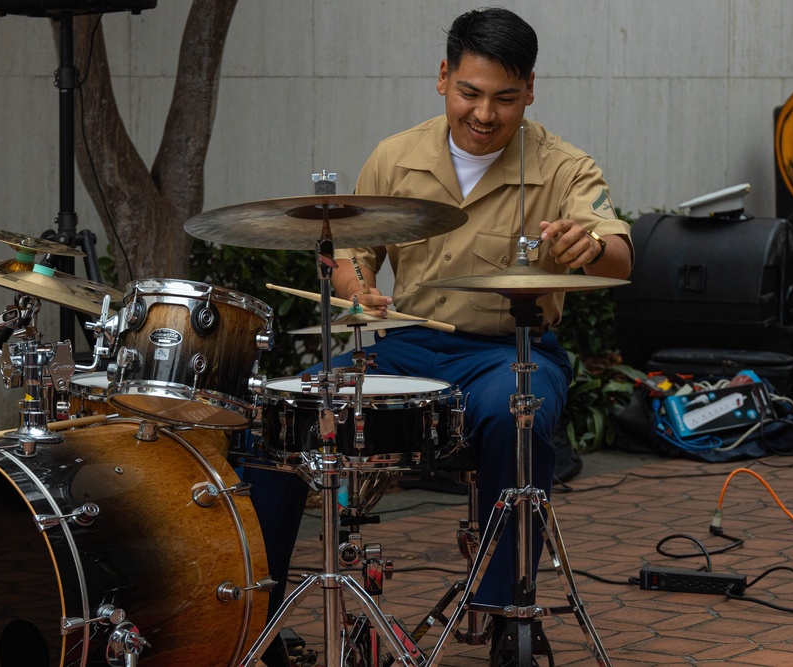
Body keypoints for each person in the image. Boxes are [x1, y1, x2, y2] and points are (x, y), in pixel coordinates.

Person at [245, 7, 633, 666]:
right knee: (282, 413)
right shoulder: (395, 156)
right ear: (443, 77)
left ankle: (503, 609)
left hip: (509, 351)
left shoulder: (564, 165)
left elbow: (620, 256)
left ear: (530, 91)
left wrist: (586, 244)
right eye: (470, 93)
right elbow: (353, 258)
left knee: (521, 413)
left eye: (506, 99)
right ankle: (255, 612)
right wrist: (354, 282)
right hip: (403, 346)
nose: (485, 113)